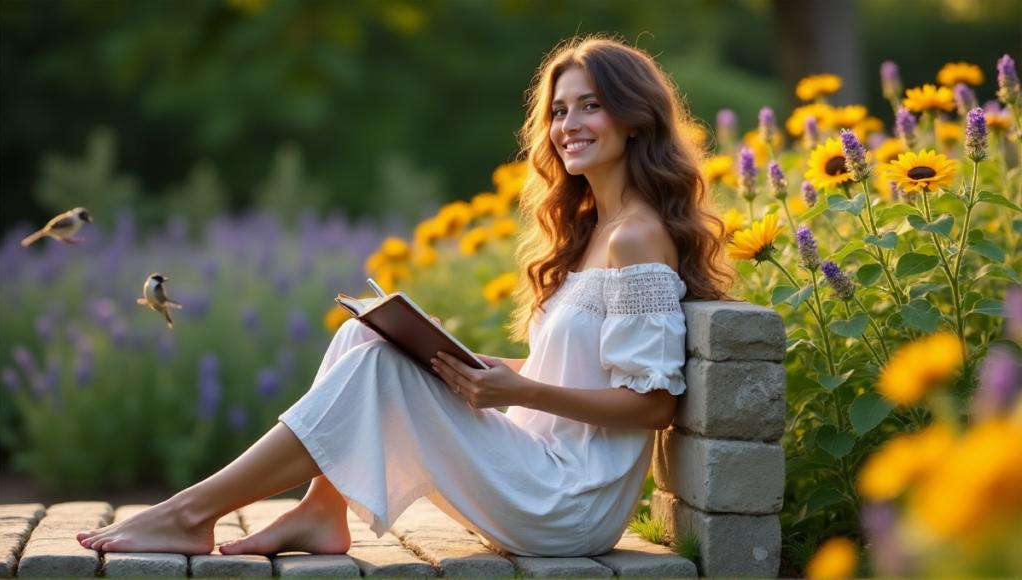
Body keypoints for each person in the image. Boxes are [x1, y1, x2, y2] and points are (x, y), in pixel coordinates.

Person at [76, 35, 732, 558]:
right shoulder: (591, 231)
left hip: (569, 503)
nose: (568, 125)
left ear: (635, 119)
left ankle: (189, 513)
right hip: (532, 462)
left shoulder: (637, 237)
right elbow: (577, 371)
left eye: (590, 106)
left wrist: (521, 391)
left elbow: (653, 403)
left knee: (378, 365)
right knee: (366, 335)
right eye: (558, 111)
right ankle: (321, 510)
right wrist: (485, 367)